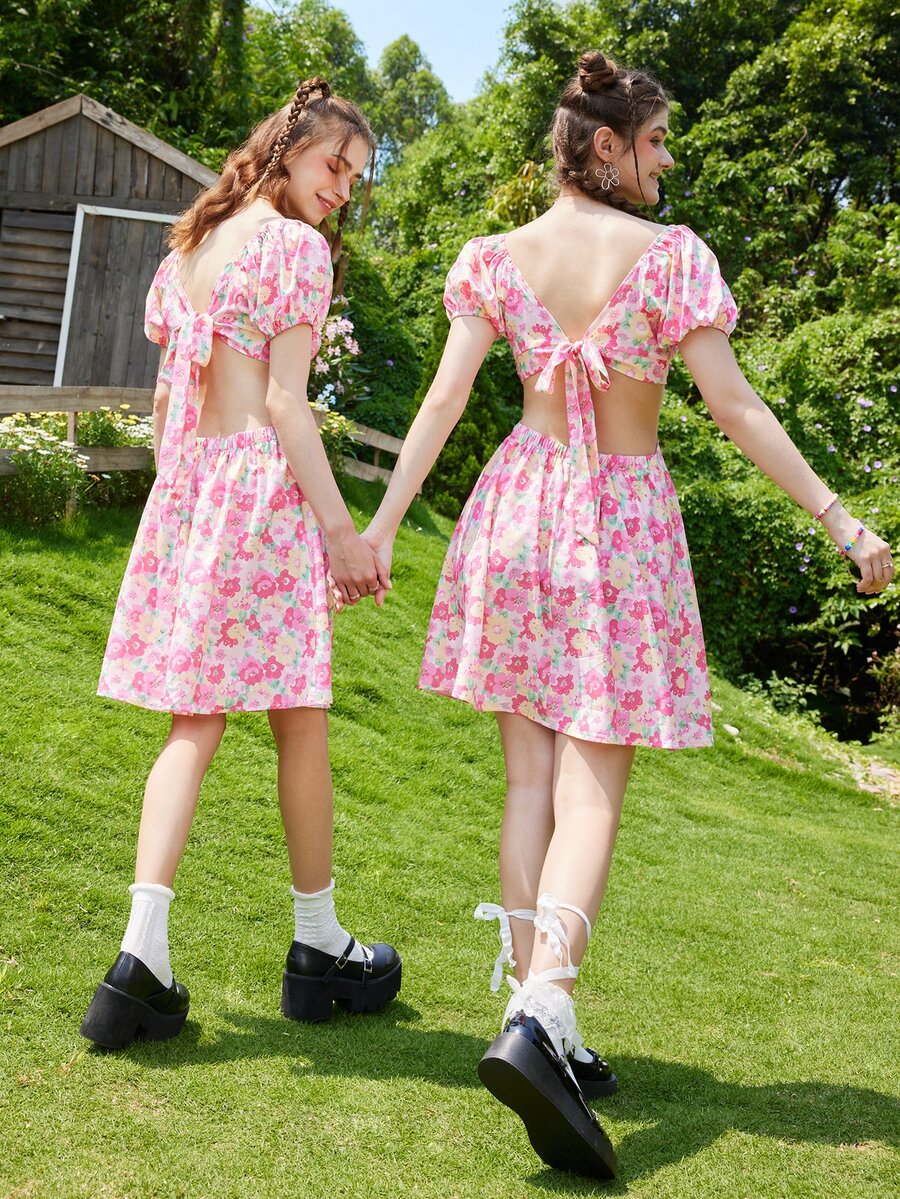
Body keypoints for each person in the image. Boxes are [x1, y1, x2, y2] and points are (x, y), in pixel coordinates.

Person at [361, 50, 893, 1177]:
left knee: (528, 783)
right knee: (594, 781)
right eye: (655, 142)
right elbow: (735, 405)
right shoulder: (673, 259)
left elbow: (446, 399)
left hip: (515, 509)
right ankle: (545, 1005)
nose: (665, 162)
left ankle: (538, 1017)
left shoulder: (493, 258)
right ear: (605, 146)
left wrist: (382, 525)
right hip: (616, 522)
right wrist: (842, 521)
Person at [81, 77, 401, 1051]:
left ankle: (141, 954)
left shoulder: (189, 248)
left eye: (355, 177)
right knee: (299, 715)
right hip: (262, 490)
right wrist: (343, 532)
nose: (341, 187)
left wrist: (182, 505)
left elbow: (168, 402)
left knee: (195, 721)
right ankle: (318, 943)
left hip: (194, 489)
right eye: (333, 165)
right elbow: (286, 404)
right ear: (287, 150)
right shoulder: (295, 250)